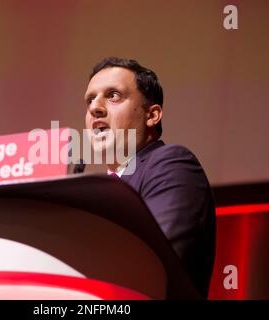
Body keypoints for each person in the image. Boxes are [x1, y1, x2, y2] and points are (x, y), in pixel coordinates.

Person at [84, 57, 216, 298]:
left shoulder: (170, 163)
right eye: (90, 99)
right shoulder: (95, 192)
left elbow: (152, 263)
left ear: (152, 115)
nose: (95, 107)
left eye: (113, 95)